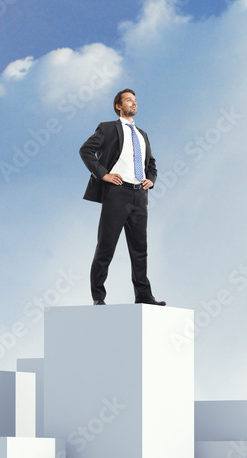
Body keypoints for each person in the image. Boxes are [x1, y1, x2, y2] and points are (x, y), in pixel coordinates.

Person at [79, 88, 166, 306]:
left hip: (140, 196)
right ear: (119, 106)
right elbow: (86, 150)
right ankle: (98, 297)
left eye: (135, 100)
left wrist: (151, 179)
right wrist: (103, 174)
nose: (134, 103)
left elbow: (151, 163)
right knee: (106, 247)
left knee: (140, 250)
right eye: (129, 100)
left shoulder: (142, 134)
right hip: (117, 193)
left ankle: (143, 295)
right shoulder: (108, 128)